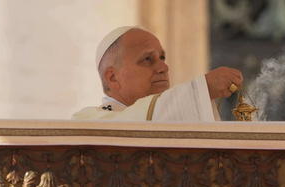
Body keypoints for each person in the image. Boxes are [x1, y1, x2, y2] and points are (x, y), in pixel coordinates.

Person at [72, 26, 243, 121]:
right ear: (113, 77)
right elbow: (129, 126)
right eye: (147, 59)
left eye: (162, 57)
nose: (164, 67)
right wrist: (202, 88)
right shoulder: (88, 122)